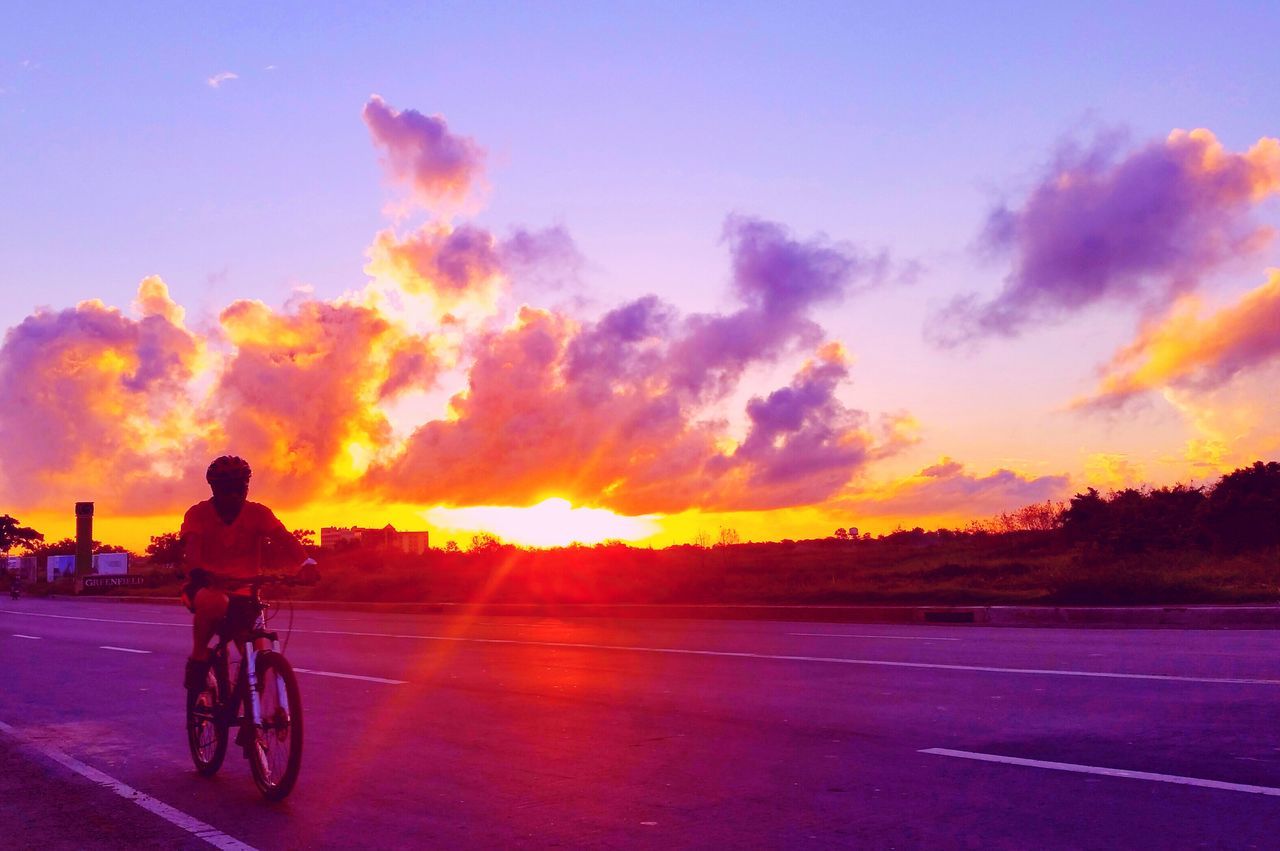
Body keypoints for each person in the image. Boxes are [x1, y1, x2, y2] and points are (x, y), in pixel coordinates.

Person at [179, 455, 318, 691]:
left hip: (245, 590)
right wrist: (199, 572)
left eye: (240, 488)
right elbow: (191, 551)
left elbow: (286, 540)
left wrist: (306, 563)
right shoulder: (197, 514)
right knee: (216, 601)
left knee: (258, 653)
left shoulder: (259, 513)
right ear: (214, 488)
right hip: (205, 585)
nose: (234, 494)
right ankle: (199, 658)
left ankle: (250, 722)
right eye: (227, 489)